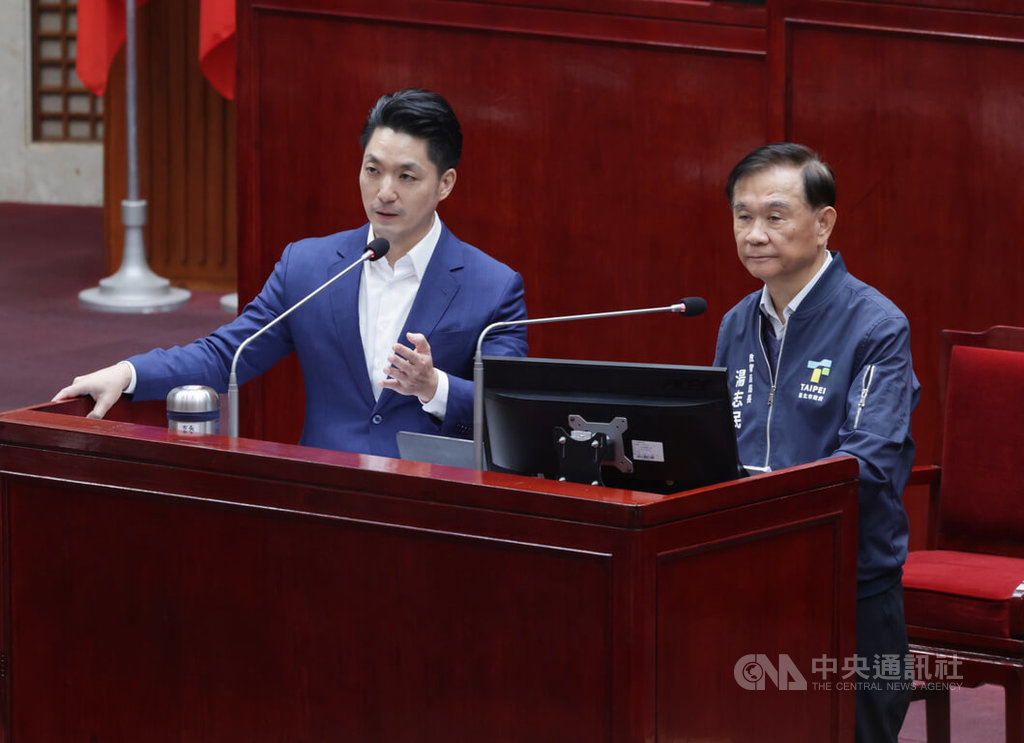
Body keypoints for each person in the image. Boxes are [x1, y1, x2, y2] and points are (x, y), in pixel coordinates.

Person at [53, 88, 528, 458]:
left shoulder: (492, 287)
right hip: (321, 493)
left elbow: (509, 410)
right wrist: (128, 372)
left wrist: (433, 387)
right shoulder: (310, 266)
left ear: (445, 184)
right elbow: (227, 355)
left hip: (432, 504)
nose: (384, 192)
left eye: (406, 176)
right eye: (372, 170)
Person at [714, 143, 919, 742]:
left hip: (846, 584)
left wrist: (765, 499)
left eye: (775, 216)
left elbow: (868, 461)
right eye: (743, 216)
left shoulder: (877, 325)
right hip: (743, 576)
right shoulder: (735, 322)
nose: (754, 234)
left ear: (824, 222)